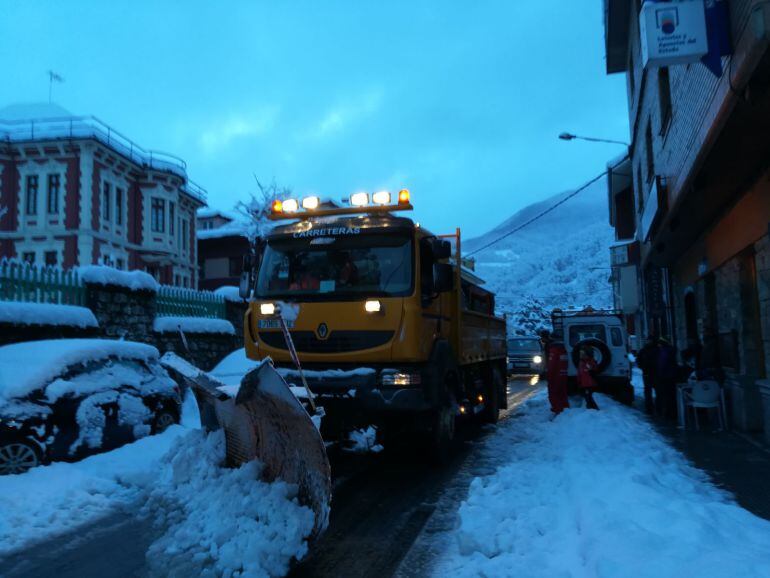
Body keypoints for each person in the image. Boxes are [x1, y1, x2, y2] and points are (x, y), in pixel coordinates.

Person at [655, 337, 678, 420]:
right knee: (672, 395)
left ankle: (669, 414)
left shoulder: (664, 351)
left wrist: (659, 374)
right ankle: (673, 413)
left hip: (665, 376)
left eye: (659, 343)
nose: (658, 345)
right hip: (672, 375)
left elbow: (662, 363)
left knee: (666, 395)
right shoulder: (671, 350)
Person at [546, 340, 569, 417]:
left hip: (555, 377)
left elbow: (552, 366)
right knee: (562, 393)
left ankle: (558, 411)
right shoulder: (564, 351)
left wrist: (549, 376)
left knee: (553, 393)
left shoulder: (554, 351)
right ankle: (565, 409)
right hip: (563, 376)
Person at [636, 335, 659, 414]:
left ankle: (657, 406)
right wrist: (642, 367)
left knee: (657, 389)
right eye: (647, 340)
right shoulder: (644, 350)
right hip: (647, 372)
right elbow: (638, 359)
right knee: (648, 390)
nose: (648, 341)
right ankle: (649, 406)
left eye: (649, 340)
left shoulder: (657, 349)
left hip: (655, 372)